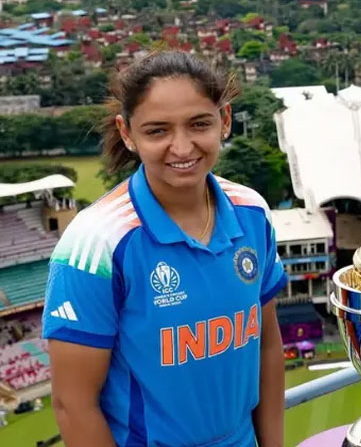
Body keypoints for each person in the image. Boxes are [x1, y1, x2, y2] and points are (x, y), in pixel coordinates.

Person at [43, 51, 287, 447]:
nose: (182, 147)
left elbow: (268, 346)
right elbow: (73, 404)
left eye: (199, 124)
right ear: (127, 133)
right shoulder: (98, 242)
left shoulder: (252, 213)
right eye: (158, 131)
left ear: (224, 120)